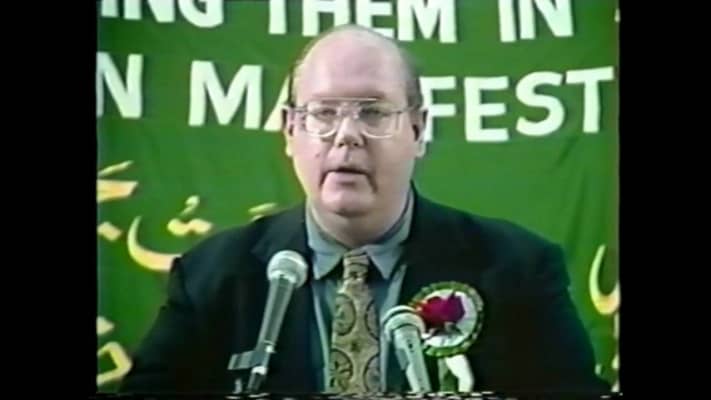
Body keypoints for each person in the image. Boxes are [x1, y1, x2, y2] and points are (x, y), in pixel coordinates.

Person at [119, 25, 610, 395]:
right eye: (323, 113)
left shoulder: (517, 270)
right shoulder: (211, 278)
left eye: (373, 112)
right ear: (290, 131)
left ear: (418, 130)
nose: (347, 135)